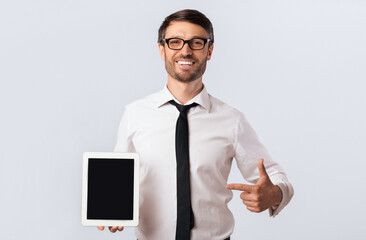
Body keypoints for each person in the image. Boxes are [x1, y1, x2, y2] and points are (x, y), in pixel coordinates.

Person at [98, 9, 294, 240]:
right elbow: (119, 180)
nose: (185, 50)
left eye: (196, 42)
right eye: (175, 42)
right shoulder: (135, 114)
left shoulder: (232, 120)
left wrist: (276, 194)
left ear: (209, 51)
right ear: (161, 49)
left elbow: (274, 176)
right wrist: (111, 210)